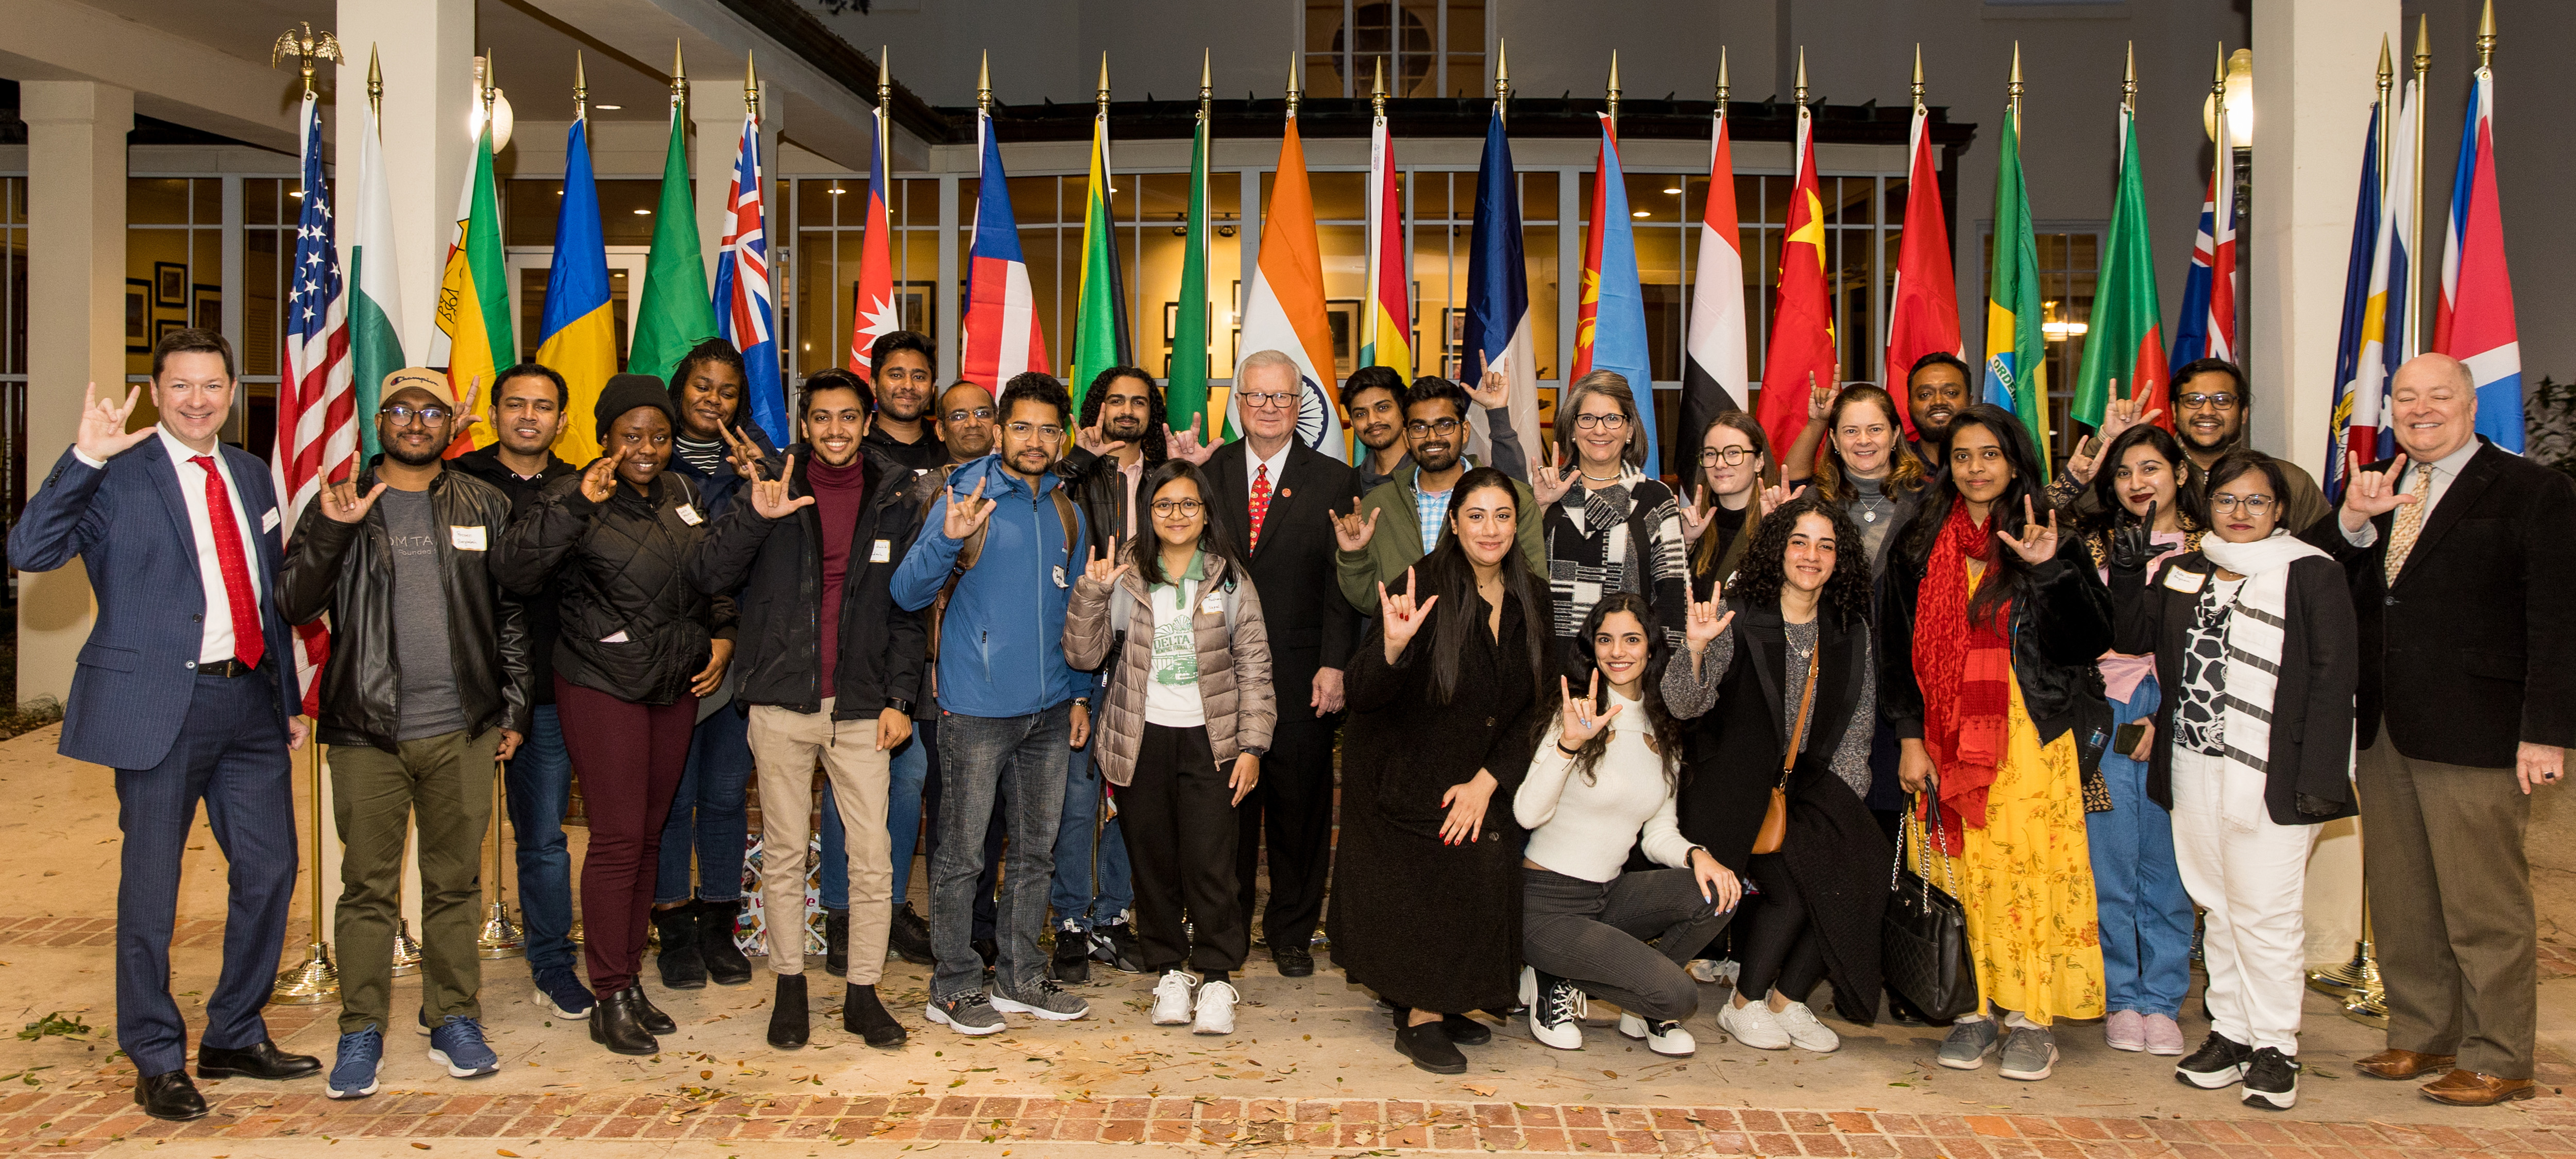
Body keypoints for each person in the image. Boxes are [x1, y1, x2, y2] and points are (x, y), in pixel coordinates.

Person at [7, 329, 319, 1121]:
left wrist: (284, 697)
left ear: (229, 388)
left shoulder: (251, 474)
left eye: (212, 385)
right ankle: (154, 1054)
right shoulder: (115, 474)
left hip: (248, 700)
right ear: (157, 389)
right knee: (152, 888)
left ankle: (234, 1031)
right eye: (181, 386)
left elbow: (268, 592)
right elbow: (30, 549)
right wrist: (83, 458)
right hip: (157, 708)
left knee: (272, 869)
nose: (197, 400)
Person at [2310, 353, 2576, 1106]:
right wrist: (2354, 522)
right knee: (2403, 894)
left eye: (2437, 395)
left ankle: (2500, 1055)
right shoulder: (2378, 489)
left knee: (2482, 900)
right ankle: (2425, 1033)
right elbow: (2325, 582)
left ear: (2470, 403)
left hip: (2481, 728)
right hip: (2387, 722)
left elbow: (2557, 620)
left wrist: (2546, 730)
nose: (2419, 409)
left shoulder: (2534, 491)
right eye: (2404, 397)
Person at [279, 370, 531, 1096]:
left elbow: (510, 615)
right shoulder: (340, 503)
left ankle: (451, 1014)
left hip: (463, 730)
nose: (416, 422)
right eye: (400, 409)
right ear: (378, 420)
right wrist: (334, 529)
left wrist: (511, 710)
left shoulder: (484, 502)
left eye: (430, 410)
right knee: (368, 888)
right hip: (366, 730)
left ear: (453, 422)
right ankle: (361, 1028)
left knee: (455, 882)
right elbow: (295, 599)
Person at [493, 375, 737, 1056]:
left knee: (653, 835)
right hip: (602, 684)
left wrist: (723, 633)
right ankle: (608, 991)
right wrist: (573, 505)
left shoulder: (683, 494)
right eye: (632, 435)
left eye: (659, 437)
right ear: (604, 436)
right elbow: (513, 571)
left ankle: (629, 978)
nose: (647, 449)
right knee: (618, 838)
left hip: (675, 685)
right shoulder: (573, 492)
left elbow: (710, 577)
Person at [2107, 449, 2358, 1111]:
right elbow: (2133, 641)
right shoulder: (2188, 570)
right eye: (2226, 501)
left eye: (2255, 502)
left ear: (2278, 510)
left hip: (2275, 774)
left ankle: (2276, 1044)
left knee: (2266, 913)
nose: (2239, 514)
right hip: (2194, 765)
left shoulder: (2308, 572)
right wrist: (2130, 575)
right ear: (2206, 506)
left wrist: (2320, 780)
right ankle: (2231, 1032)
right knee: (2217, 905)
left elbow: (2334, 681)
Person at [687, 367, 924, 1051]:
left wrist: (901, 698)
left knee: (873, 855)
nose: (836, 431)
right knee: (786, 851)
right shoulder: (771, 484)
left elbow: (908, 608)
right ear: (806, 422)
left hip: (861, 707)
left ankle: (863, 992)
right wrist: (753, 517)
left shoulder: (896, 494)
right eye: (822, 418)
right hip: (781, 700)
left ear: (866, 418)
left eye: (849, 417)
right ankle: (789, 985)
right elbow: (710, 574)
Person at [1880, 403, 2112, 1082]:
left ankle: (2031, 1019)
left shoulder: (2047, 532)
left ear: (2014, 461)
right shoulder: (1920, 536)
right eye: (1962, 455)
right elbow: (1895, 647)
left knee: (2027, 873)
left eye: (1989, 454)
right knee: (1961, 876)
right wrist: (1909, 735)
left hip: (2029, 738)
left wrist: (2049, 570)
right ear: (1946, 464)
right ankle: (1972, 1009)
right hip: (1944, 738)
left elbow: (2090, 639)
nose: (1975, 468)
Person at [1330, 467, 1552, 1075]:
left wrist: (1489, 781)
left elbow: (1540, 706)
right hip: (1407, 772)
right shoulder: (1418, 584)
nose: (1489, 529)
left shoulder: (1532, 594)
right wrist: (1393, 648)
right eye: (1475, 516)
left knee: (1480, 883)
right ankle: (1420, 1016)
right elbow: (1361, 689)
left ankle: (1452, 998)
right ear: (1453, 523)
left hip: (1480, 773)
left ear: (1516, 524)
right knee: (1427, 893)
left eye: (1502, 516)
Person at [892, 371, 1095, 1034]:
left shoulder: (1069, 509)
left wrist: (1078, 695)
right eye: (1022, 427)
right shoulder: (966, 490)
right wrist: (949, 534)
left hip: (1047, 709)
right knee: (962, 853)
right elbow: (906, 592)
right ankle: (951, 986)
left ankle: (1020, 977)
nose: (1034, 441)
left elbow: (1076, 612)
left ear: (1061, 436)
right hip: (976, 708)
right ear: (1000, 430)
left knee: (1037, 852)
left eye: (1047, 429)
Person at [1666, 498, 1889, 1055]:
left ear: (1839, 559)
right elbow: (1683, 705)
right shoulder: (1738, 615)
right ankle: (1742, 1005)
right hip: (1731, 792)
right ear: (1776, 550)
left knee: (1855, 867)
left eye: (1825, 545)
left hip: (1811, 786)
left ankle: (1787, 1000)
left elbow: (1858, 725)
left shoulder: (1849, 628)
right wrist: (1692, 649)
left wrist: (1841, 809)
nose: (1810, 556)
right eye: (1798, 541)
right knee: (1792, 892)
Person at [1063, 460, 1275, 1034]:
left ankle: (1216, 979)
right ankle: (1169, 975)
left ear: (1205, 512)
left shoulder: (1229, 578)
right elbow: (1083, 656)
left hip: (1214, 743)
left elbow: (1254, 666)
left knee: (1211, 864)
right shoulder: (1125, 576)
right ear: (1148, 513)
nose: (1176, 515)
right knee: (1151, 864)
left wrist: (1253, 746)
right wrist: (1090, 591)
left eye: (1188, 504)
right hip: (1140, 740)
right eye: (1163, 505)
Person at [818, 379, 1002, 972]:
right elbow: (896, 586)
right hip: (906, 661)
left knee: (946, 794)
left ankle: (905, 911)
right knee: (883, 778)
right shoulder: (913, 492)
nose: (971, 422)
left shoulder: (1028, 489)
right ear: (938, 428)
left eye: (983, 413)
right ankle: (848, 913)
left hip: (978, 670)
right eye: (958, 415)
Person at [1517, 593, 1738, 1057]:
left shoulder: (1663, 727)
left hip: (1606, 896)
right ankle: (1552, 977)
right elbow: (1527, 815)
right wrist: (1568, 747)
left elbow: (1659, 832)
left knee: (1721, 891)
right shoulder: (1576, 713)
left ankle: (1623, 993)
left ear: (1652, 649)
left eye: (1631, 639)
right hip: (1547, 904)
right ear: (1592, 650)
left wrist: (1699, 856)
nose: (1618, 651)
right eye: (1606, 640)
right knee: (1680, 996)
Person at [1201, 350, 1363, 978]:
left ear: (1301, 405)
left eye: (1281, 397)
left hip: (1302, 674)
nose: (1268, 408)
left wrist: (1334, 664)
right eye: (1256, 396)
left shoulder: (1333, 478)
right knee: (1227, 810)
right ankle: (1227, 928)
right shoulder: (1204, 475)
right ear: (1238, 403)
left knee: (1300, 809)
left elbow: (1340, 582)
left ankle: (1292, 931)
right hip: (1219, 673)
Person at [2057, 424, 2203, 1058]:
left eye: (2150, 468)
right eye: (2123, 472)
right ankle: (2120, 996)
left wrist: (2166, 716)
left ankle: (2162, 1000)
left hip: (2181, 712)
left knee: (2167, 869)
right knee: (2109, 862)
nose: (2137, 483)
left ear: (2178, 472)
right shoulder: (2088, 543)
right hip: (2103, 711)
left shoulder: (2213, 546)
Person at [450, 364, 588, 1020]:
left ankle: (552, 964)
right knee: (454, 843)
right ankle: (449, 989)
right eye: (514, 404)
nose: (528, 416)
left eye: (542, 406)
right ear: (495, 413)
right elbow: (377, 487)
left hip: (551, 692)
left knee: (542, 839)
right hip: (465, 692)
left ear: (562, 420)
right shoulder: (456, 480)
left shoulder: (581, 487)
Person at [650, 339, 765, 991]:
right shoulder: (647, 461)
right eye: (701, 386)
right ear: (680, 387)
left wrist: (757, 476)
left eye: (725, 391)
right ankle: (673, 931)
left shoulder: (755, 462)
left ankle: (719, 928)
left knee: (723, 798)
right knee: (670, 799)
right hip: (666, 661)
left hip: (739, 658)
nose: (711, 399)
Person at [1045, 365, 1163, 982]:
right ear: (1097, 409)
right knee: (1076, 796)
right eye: (1115, 400)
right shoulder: (1071, 475)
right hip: (1080, 654)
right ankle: (1069, 922)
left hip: (1144, 654)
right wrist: (1074, 463)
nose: (1126, 411)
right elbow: (1039, 510)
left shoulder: (1168, 476)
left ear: (1151, 413)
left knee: (1131, 797)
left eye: (1138, 402)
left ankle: (1113, 918)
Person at [1335, 374, 1543, 617]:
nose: (1432, 437)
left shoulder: (1514, 501)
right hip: (1405, 648)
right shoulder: (1378, 505)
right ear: (1407, 436)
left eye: (1445, 425)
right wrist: (1354, 556)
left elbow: (1533, 590)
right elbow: (1369, 600)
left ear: (1464, 431)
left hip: (1486, 647)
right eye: (1419, 427)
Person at [1529, 371, 1689, 670]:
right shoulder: (1542, 491)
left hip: (1627, 673)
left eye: (1613, 419)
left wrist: (1660, 678)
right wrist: (1539, 506)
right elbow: (1515, 576)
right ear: (1572, 430)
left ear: (1629, 430)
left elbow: (1672, 600)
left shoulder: (1655, 499)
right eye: (1587, 419)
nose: (1599, 430)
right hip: (1545, 669)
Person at [2167, 359, 2328, 534]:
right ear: (2175, 412)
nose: (2207, 411)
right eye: (2194, 400)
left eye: (2222, 401)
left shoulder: (2291, 480)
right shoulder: (2150, 478)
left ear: (2244, 414)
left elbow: (2323, 553)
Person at [1786, 385, 1927, 578]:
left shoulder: (1928, 500)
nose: (1863, 440)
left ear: (1895, 434)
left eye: (1875, 429)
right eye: (1851, 431)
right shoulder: (1813, 501)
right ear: (1835, 439)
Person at [1340, 362, 1532, 493]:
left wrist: (1497, 411)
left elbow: (1513, 489)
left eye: (1383, 408)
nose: (1373, 420)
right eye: (1361, 414)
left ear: (1403, 411)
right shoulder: (1348, 485)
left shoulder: (1442, 466)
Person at [1680, 412, 1775, 591]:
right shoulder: (1691, 525)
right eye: (1710, 454)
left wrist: (1777, 532)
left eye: (1733, 453)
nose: (1720, 464)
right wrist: (1683, 544)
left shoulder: (1775, 521)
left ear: (1759, 462)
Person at [860, 330, 950, 473]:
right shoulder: (854, 453)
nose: (908, 386)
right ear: (874, 385)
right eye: (896, 375)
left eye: (919, 377)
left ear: (933, 388)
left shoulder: (949, 452)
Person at [1901, 352, 1973, 466]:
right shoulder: (1892, 468)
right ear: (1909, 405)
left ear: (1970, 402)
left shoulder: (1991, 466)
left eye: (1951, 393)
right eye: (1925, 395)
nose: (1938, 402)